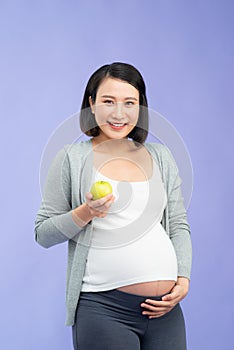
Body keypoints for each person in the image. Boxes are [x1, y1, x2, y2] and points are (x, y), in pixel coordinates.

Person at [35, 62, 192, 349]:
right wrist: (86, 212)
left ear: (140, 108)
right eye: (108, 101)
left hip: (166, 312)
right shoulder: (71, 158)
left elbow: (178, 224)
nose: (119, 113)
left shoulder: (162, 156)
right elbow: (43, 233)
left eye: (129, 102)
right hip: (104, 310)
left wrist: (183, 278)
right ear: (92, 104)